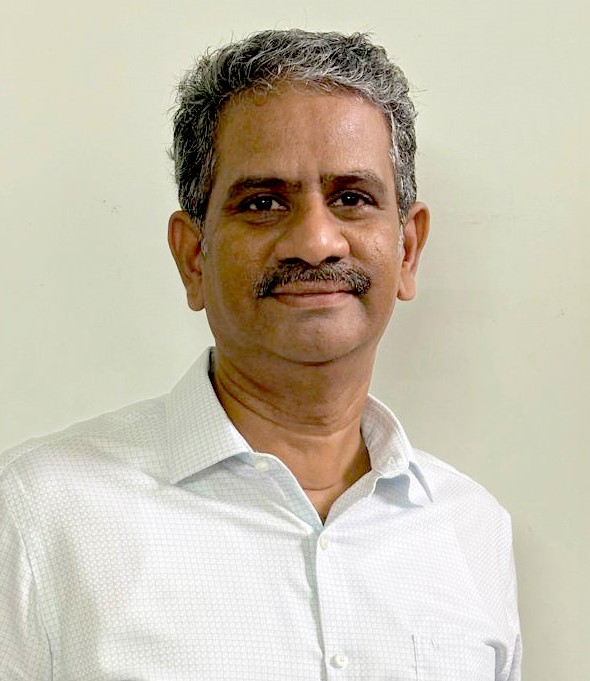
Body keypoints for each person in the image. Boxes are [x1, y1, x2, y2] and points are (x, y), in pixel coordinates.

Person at [0, 29, 521, 680]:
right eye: (264, 202)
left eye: (352, 198)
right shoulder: (37, 517)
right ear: (193, 257)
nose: (316, 241)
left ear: (408, 250)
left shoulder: (473, 530)